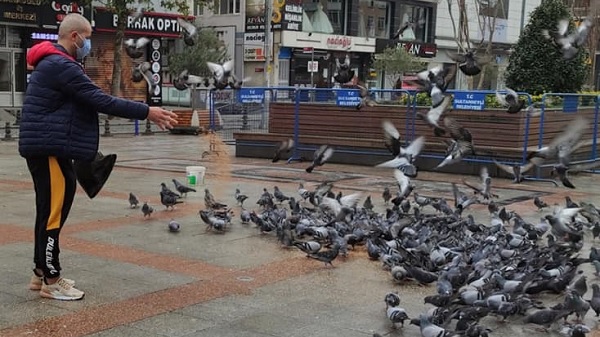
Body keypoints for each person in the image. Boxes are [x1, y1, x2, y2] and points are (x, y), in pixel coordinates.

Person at [18, 13, 178, 301]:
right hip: (48, 150)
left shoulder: (53, 62)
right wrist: (147, 111)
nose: (89, 44)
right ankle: (52, 280)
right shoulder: (60, 65)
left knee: (47, 211)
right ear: (74, 37)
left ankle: (40, 272)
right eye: (88, 38)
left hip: (48, 147)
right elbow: (101, 100)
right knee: (53, 213)